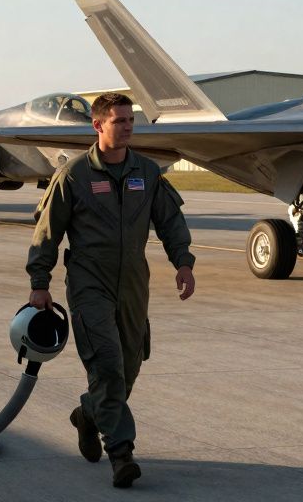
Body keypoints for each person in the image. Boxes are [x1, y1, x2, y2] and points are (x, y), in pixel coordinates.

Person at [26, 92, 196, 489]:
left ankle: (88, 412)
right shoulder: (75, 176)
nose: (127, 127)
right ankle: (121, 452)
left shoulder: (147, 173)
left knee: (129, 366)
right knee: (107, 364)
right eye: (119, 121)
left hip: (134, 282)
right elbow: (46, 234)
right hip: (90, 282)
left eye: (130, 121)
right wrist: (39, 283)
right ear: (98, 126)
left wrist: (183, 263)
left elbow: (170, 221)